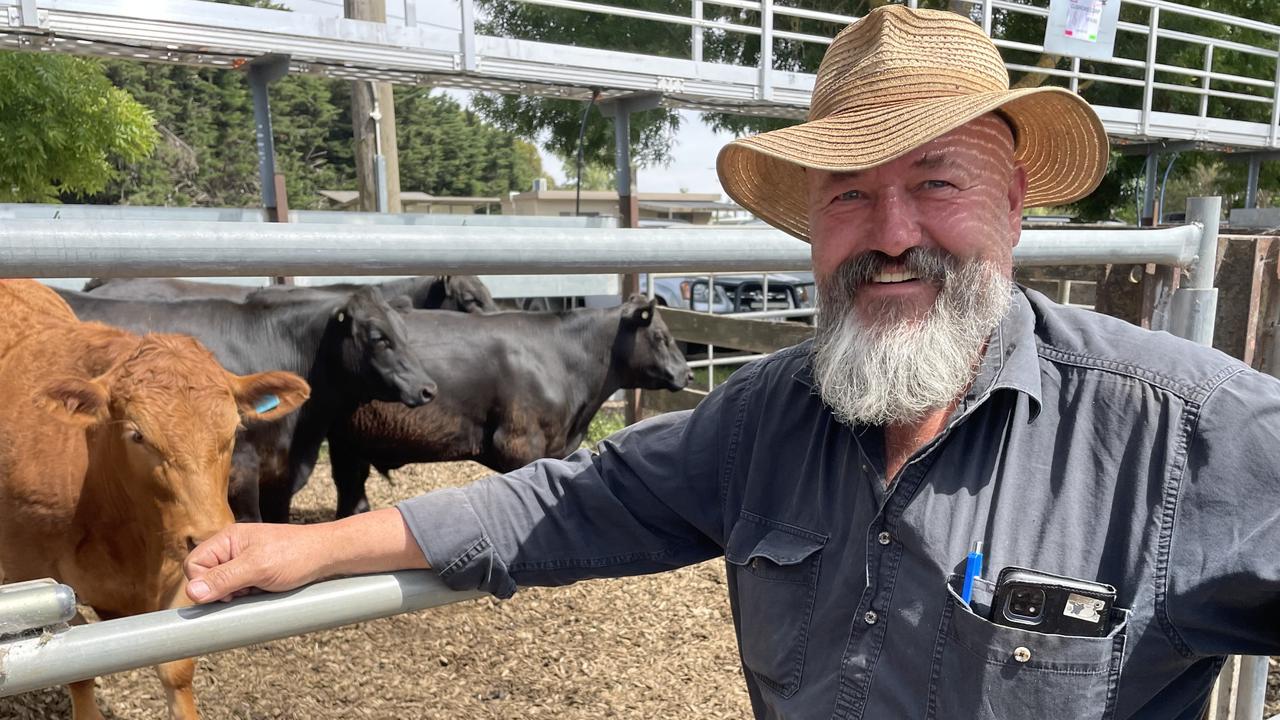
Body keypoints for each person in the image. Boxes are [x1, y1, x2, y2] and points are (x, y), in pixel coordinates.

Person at [184, 6, 1280, 719]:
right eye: (848, 193)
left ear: (1014, 208)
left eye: (936, 182)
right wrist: (314, 546)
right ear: (813, 227)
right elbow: (569, 499)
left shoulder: (1181, 434)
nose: (890, 230)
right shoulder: (768, 416)